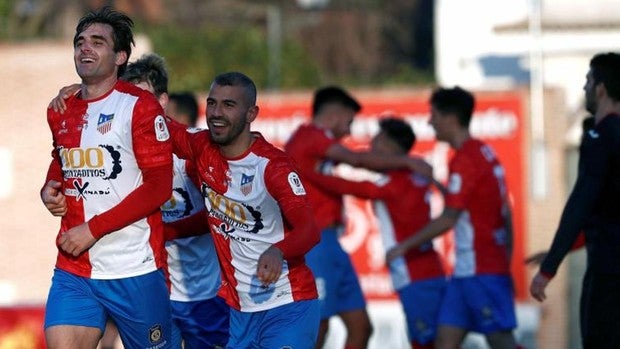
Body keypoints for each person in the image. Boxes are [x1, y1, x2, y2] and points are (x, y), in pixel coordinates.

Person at [50, 56, 231, 349]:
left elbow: (216, 214)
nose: (131, 105)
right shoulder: (113, 149)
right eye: (125, 97)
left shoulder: (190, 149)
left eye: (141, 97)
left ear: (162, 101)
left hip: (201, 293)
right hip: (145, 282)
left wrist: (164, 229)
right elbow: (64, 158)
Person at [39, 6, 173, 349]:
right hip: (75, 267)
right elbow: (61, 159)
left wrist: (92, 229)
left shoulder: (139, 106)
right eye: (80, 41)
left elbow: (159, 187)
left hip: (133, 267)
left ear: (120, 57)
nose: (85, 47)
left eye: (98, 42)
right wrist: (50, 187)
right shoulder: (62, 107)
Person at [165, 71, 321, 348]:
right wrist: (92, 93)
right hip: (239, 313)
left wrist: (278, 250)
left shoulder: (273, 167)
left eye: (228, 105)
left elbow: (309, 230)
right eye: (212, 103)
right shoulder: (201, 148)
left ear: (251, 113)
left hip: (287, 305)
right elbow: (154, 123)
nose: (216, 113)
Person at [284, 86, 432, 349]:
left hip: (332, 243)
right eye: (350, 122)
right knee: (318, 324)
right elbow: (355, 160)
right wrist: (406, 162)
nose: (351, 132)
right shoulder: (310, 136)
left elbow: (351, 182)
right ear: (335, 113)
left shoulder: (317, 145)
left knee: (361, 328)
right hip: (314, 244)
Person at [386, 87, 518, 349]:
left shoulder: (466, 159)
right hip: (466, 274)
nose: (429, 121)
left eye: (433, 114)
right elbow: (504, 214)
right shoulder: (484, 153)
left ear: (451, 118)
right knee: (444, 342)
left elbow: (449, 218)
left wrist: (403, 246)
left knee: (502, 342)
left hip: (481, 272)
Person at [530, 52, 620, 348]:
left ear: (601, 88)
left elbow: (582, 203)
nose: (584, 88)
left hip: (609, 272)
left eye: (588, 80)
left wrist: (548, 268)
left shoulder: (600, 136)